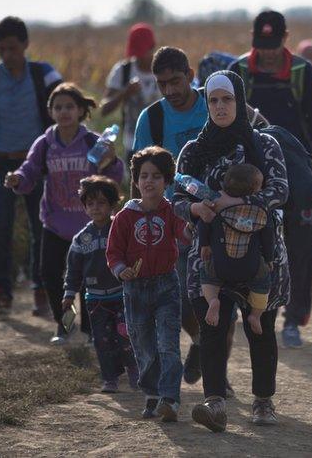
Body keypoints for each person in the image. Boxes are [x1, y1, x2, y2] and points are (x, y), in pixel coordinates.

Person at [174, 71, 291, 431]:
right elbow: (176, 198)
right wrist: (194, 209)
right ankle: (214, 403)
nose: (221, 107)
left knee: (261, 327)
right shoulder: (194, 150)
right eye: (214, 100)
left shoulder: (263, 145)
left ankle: (263, 402)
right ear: (207, 105)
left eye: (227, 99)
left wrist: (230, 202)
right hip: (211, 256)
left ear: (239, 102)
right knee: (213, 326)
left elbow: (280, 191)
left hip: (260, 255)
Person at [228, 10, 312, 349]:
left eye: (274, 44)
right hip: (249, 173)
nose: (268, 52)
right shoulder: (239, 71)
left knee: (301, 245)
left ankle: (294, 318)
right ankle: (252, 312)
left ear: (285, 39)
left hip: (297, 170)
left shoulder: (303, 72)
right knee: (248, 242)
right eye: (262, 44)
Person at [4, 83, 124, 344]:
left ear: (81, 110)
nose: (64, 112)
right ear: (50, 111)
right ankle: (63, 324)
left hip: (89, 225)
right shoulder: (45, 143)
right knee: (49, 273)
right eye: (58, 107)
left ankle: (92, 331)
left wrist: (113, 161)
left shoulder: (93, 142)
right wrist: (17, 179)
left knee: (89, 280)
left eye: (70, 106)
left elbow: (113, 178)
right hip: (55, 223)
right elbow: (29, 171)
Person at [0, 16, 63, 316]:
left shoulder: (44, 75)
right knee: (0, 227)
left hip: (37, 165)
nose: (7, 55)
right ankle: (1, 293)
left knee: (42, 227)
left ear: (25, 45)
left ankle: (42, 293)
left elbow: (67, 110)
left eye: (12, 48)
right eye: (1, 50)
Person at [130, 46, 211, 387]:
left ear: (191, 76)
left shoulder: (218, 101)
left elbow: (258, 136)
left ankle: (216, 375)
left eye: (176, 81)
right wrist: (138, 223)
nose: (170, 91)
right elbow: (140, 176)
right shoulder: (152, 119)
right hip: (173, 219)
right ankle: (204, 343)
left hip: (220, 213)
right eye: (162, 84)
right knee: (178, 297)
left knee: (219, 295)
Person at [106, 146, 191, 422]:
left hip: (167, 285)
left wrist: (191, 227)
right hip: (135, 290)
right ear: (136, 180)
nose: (149, 181)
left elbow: (183, 232)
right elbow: (113, 252)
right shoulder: (124, 217)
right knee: (143, 345)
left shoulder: (172, 212)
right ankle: (152, 393)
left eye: (156, 176)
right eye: (144, 175)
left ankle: (170, 399)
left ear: (167, 181)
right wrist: (121, 270)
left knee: (168, 344)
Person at [62, 175, 138, 393]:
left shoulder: (121, 229)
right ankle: (110, 378)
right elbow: (74, 270)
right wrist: (69, 294)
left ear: (113, 205)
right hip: (95, 299)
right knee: (102, 341)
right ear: (84, 207)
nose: (96, 208)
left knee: (126, 335)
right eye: (90, 203)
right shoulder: (81, 239)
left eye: (101, 203)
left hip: (122, 295)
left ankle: (135, 372)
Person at [198, 164, 275, 335]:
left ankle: (212, 301)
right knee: (263, 283)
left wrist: (205, 244)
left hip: (220, 263)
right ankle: (255, 315)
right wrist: (269, 258)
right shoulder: (261, 209)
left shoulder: (215, 203)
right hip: (251, 265)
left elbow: (204, 223)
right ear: (255, 188)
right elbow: (268, 237)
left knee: (207, 276)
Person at [101, 23, 161, 163]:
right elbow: (104, 109)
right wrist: (125, 93)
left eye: (143, 52)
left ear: (152, 47)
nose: (139, 57)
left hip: (164, 141)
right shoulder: (123, 70)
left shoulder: (164, 69)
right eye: (136, 53)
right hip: (133, 143)